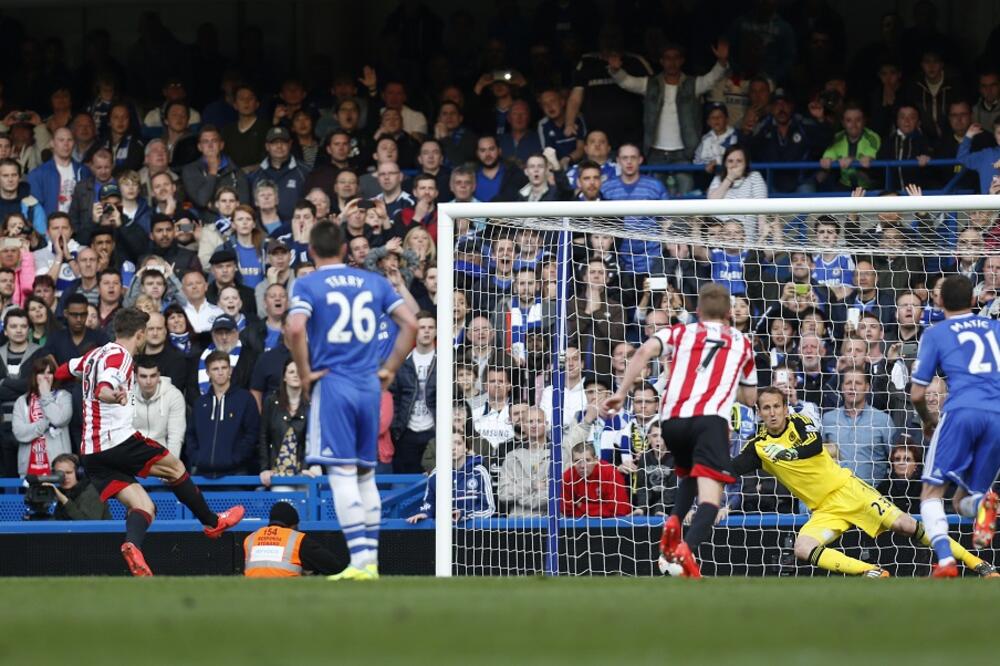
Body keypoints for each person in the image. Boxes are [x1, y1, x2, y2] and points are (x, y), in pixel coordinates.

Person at [53, 308, 245, 576]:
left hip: (92, 454)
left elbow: (63, 371)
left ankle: (132, 545)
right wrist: (111, 395)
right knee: (175, 468)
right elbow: (104, 388)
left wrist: (57, 377)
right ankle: (212, 522)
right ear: (140, 334)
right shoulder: (121, 356)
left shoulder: (94, 355)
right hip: (117, 441)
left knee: (144, 507)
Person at [731, 387, 994, 578]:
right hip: (824, 510)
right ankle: (871, 571)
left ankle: (978, 564)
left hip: (849, 490)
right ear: (759, 412)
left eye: (777, 406)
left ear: (785, 408)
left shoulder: (801, 422)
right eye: (767, 408)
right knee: (802, 547)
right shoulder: (758, 448)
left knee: (905, 525)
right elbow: (731, 469)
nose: (773, 413)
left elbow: (813, 446)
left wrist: (787, 453)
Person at [286, 220, 417, 581]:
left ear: (311, 250)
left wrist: (305, 371)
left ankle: (359, 562)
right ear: (344, 248)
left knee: (342, 474)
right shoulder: (374, 282)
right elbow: (411, 323)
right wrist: (390, 368)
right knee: (365, 475)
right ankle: (370, 562)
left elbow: (295, 327)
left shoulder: (308, 283)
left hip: (335, 384)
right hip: (369, 386)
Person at [603, 283, 757, 578]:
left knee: (689, 475)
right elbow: (750, 398)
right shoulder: (742, 342)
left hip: (671, 422)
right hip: (710, 421)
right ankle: (687, 548)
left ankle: (673, 521)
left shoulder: (681, 332)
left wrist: (622, 393)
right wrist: (728, 384)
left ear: (697, 311)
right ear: (729, 313)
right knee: (711, 497)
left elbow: (644, 350)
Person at [911, 274, 1000, 576]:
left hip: (962, 411)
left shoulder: (936, 333)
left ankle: (946, 560)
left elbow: (917, 394)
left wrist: (928, 420)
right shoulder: (996, 328)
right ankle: (981, 505)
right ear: (974, 301)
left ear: (938, 301)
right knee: (962, 500)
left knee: (931, 493)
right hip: (997, 416)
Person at [186, 350, 260, 477]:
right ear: (208, 373)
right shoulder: (200, 403)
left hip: (236, 473)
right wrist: (198, 458)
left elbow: (252, 434)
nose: (220, 372)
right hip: (202, 474)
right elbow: (191, 435)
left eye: (224, 368)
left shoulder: (245, 399)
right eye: (215, 369)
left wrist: (236, 459)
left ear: (230, 370)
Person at [406, 431, 495, 523]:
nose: (453, 448)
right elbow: (429, 504)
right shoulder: (436, 475)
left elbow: (489, 509)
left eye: (458, 443)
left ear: (466, 448)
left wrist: (464, 514)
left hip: (474, 530)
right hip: (444, 530)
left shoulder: (479, 472)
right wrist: (425, 513)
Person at [259, 359, 320, 489]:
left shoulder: (313, 403)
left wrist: (307, 467)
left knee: (309, 495)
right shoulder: (271, 402)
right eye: (291, 372)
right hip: (278, 473)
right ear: (284, 377)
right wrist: (264, 469)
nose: (296, 375)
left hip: (306, 471)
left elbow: (316, 439)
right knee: (283, 498)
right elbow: (263, 437)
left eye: (299, 372)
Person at [243, 502, 345, 577]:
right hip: (286, 590)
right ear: (293, 525)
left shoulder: (250, 538)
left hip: (252, 590)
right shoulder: (296, 538)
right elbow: (333, 566)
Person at [389, 312, 436, 474]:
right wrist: (396, 427)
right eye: (422, 327)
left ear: (436, 331)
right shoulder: (402, 361)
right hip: (406, 432)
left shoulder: (443, 360)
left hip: (434, 432)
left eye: (430, 327)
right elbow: (393, 396)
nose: (426, 331)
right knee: (407, 482)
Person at [12, 354, 72, 477]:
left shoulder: (64, 396)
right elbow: (19, 433)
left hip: (58, 467)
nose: (45, 376)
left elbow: (58, 420)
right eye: (41, 372)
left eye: (49, 373)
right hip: (28, 468)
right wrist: (45, 423)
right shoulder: (22, 401)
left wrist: (45, 395)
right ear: (34, 376)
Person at [131, 355, 186, 459]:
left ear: (159, 376)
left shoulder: (173, 396)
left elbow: (175, 436)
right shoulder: (129, 395)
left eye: (153, 376)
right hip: (133, 456)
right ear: (136, 377)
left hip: (162, 456)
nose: (148, 381)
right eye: (143, 376)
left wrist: (171, 465)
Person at [561, 442, 631, 517]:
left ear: (596, 460)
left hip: (614, 522)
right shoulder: (567, 477)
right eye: (577, 461)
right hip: (581, 522)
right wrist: (601, 509)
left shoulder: (611, 474)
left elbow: (620, 510)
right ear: (572, 462)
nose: (582, 466)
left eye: (587, 460)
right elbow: (566, 510)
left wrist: (582, 506)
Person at [47, 453, 112, 520]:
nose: (64, 477)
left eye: (69, 472)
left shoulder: (91, 491)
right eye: (59, 474)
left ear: (78, 473)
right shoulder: (62, 492)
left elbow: (88, 524)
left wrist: (65, 500)